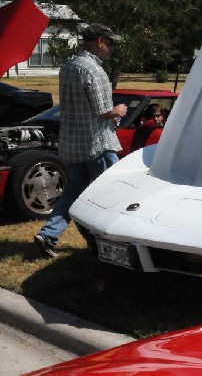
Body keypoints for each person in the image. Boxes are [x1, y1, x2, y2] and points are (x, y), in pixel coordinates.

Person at [34, 23, 127, 258]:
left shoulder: (68, 67)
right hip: (97, 144)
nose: (112, 49)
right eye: (111, 44)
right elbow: (102, 111)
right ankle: (106, 243)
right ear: (99, 42)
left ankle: (49, 234)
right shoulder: (94, 71)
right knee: (109, 195)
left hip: (72, 144)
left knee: (74, 192)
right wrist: (118, 110)